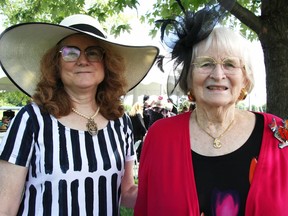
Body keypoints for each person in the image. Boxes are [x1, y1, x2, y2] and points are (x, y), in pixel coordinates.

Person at [134, 1, 288, 215]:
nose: (217, 74)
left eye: (230, 64)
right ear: (189, 76)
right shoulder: (160, 136)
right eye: (206, 63)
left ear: (245, 78)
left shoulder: (278, 135)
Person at [0, 14, 159, 215]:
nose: (83, 60)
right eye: (70, 53)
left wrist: (168, 185)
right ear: (55, 64)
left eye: (93, 53)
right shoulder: (31, 120)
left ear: (106, 63)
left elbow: (126, 193)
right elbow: (4, 206)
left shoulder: (121, 122)